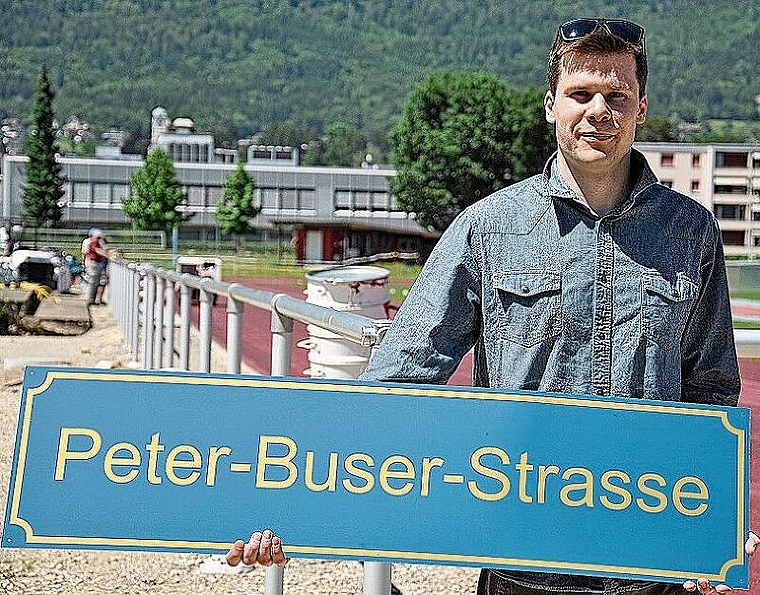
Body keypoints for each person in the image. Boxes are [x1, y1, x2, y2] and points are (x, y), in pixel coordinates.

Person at [226, 18, 759, 593]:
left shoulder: (691, 231)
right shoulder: (489, 227)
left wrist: (714, 526)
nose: (598, 110)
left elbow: (710, 393)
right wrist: (290, 502)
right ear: (550, 104)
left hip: (647, 562)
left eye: (617, 96)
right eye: (580, 94)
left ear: (641, 108)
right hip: (520, 562)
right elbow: (399, 376)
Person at [82, 228, 111, 306]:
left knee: (96, 282)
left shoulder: (96, 242)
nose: (100, 239)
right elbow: (98, 251)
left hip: (96, 264)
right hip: (93, 264)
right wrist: (108, 255)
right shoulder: (93, 243)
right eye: (98, 237)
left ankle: (93, 299)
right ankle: (90, 300)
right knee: (93, 282)